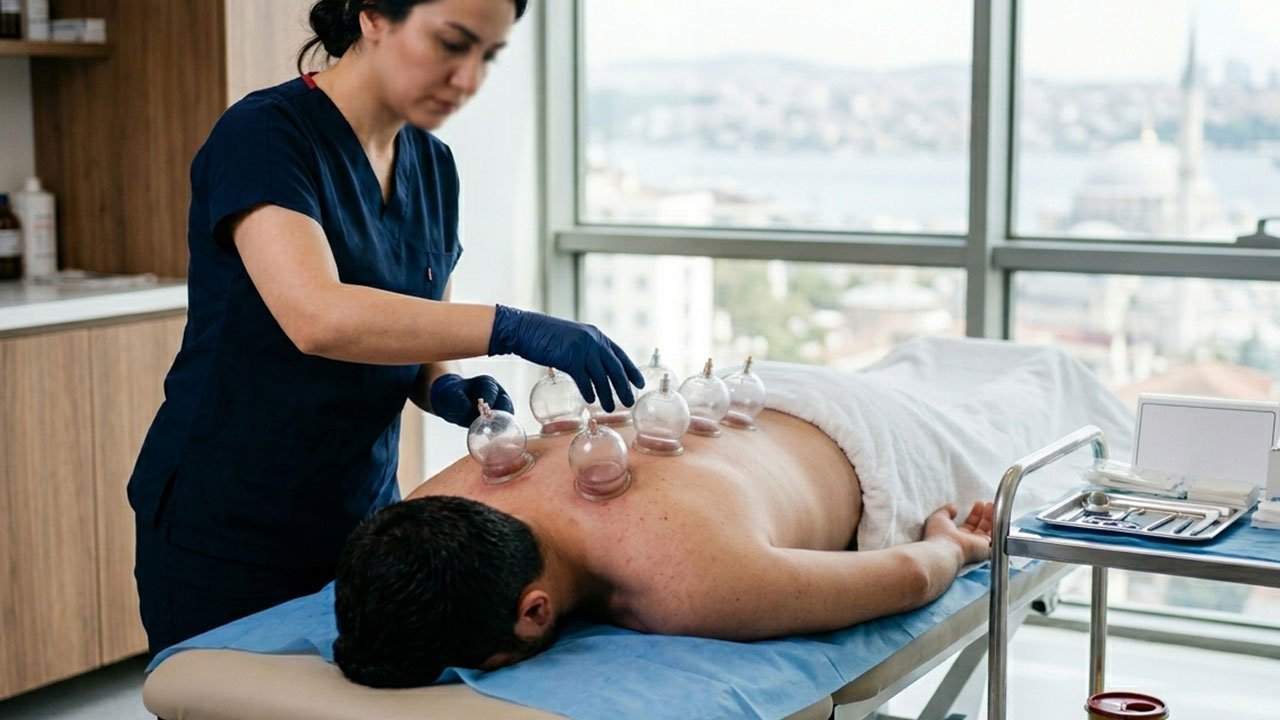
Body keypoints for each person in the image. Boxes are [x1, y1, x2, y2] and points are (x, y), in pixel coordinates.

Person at [127, 0, 642, 657]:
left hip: (360, 513)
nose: (468, 79)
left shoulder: (434, 165)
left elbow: (417, 331)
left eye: (486, 56)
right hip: (230, 519)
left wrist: (443, 385)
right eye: (451, 43)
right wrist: (512, 327)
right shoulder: (265, 135)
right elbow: (317, 317)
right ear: (372, 16)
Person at [331, 339, 1135, 688]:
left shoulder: (687, 579)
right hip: (735, 399)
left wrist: (952, 544)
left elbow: (906, 577)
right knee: (946, 368)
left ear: (534, 612)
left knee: (1039, 394)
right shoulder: (438, 504)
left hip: (880, 441)